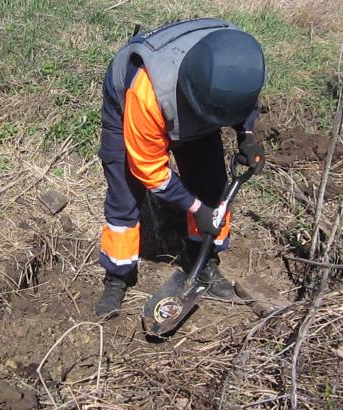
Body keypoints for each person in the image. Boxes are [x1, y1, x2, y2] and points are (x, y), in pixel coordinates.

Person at [94, 18, 267, 318]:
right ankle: (118, 275)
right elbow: (149, 169)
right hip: (131, 105)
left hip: (196, 99)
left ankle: (201, 259)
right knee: (124, 195)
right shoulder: (145, 93)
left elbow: (244, 102)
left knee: (211, 183)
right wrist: (196, 207)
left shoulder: (240, 61)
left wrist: (247, 135)